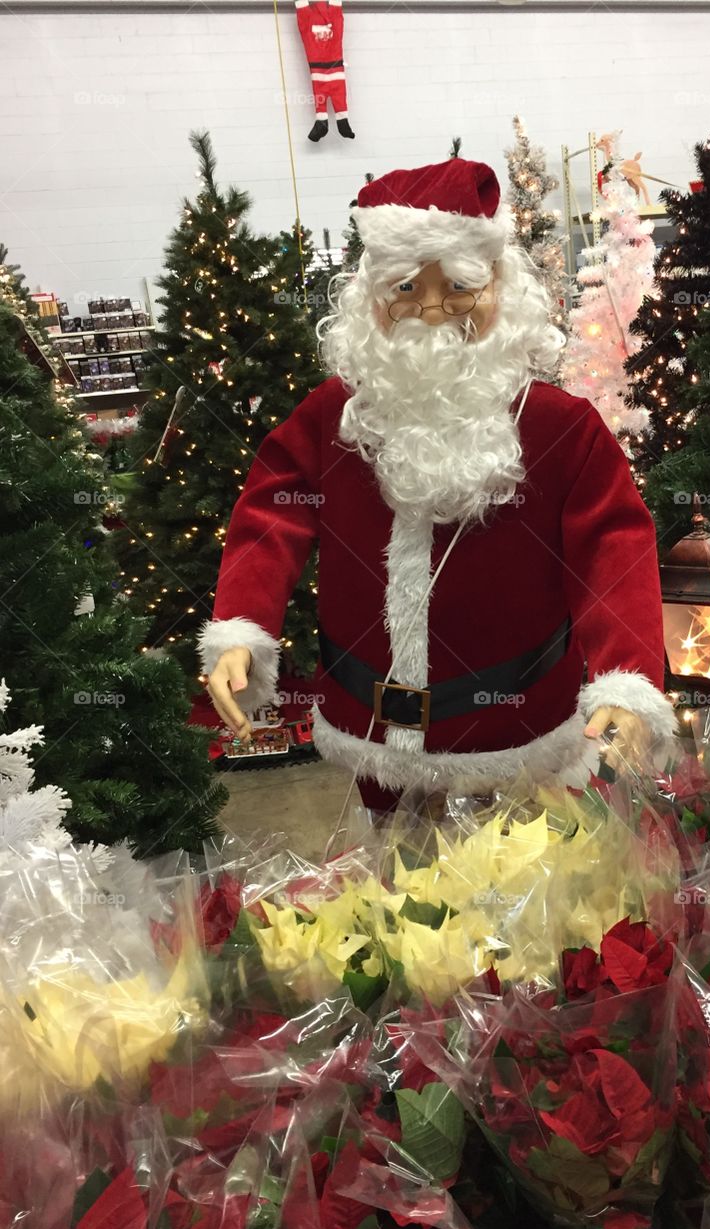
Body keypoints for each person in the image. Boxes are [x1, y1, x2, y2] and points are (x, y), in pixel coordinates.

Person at [200, 156, 675, 814]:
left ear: (499, 288)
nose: (431, 309)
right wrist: (243, 631)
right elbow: (270, 516)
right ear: (371, 300)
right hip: (370, 734)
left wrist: (626, 680)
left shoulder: (559, 426)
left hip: (516, 733)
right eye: (404, 289)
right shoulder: (335, 414)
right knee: (393, 903)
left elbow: (612, 549)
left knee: (523, 892)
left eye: (458, 286)